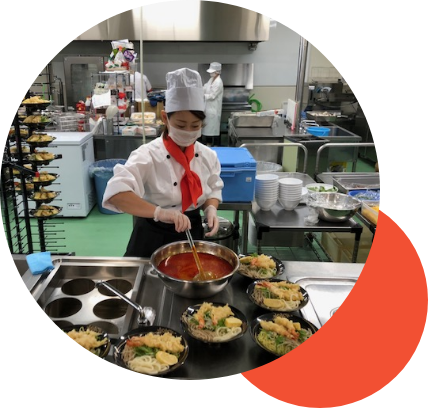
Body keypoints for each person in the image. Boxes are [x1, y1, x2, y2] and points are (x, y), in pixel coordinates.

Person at [102, 67, 224, 258]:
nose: (188, 131)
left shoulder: (208, 156)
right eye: (181, 125)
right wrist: (160, 213)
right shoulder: (147, 155)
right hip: (152, 233)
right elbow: (117, 194)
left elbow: (213, 187)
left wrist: (210, 208)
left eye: (195, 125)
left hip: (192, 230)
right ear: (165, 118)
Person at [202, 62, 223, 145]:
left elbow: (212, 96)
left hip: (213, 109)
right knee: (207, 128)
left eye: (212, 72)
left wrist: (202, 95)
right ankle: (209, 144)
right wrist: (199, 89)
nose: (211, 73)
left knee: (212, 129)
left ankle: (214, 146)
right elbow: (206, 87)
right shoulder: (211, 79)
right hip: (208, 108)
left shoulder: (218, 82)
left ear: (217, 72)